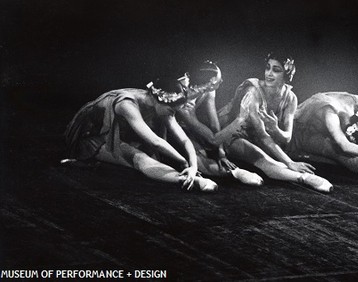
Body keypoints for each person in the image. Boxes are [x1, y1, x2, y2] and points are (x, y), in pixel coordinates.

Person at [63, 70, 222, 192]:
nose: (172, 115)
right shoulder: (127, 104)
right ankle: (190, 182)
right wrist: (183, 162)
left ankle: (189, 177)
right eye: (171, 110)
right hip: (90, 135)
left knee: (144, 157)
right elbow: (156, 141)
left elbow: (184, 140)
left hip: (117, 132)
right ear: (161, 100)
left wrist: (193, 166)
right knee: (139, 158)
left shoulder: (161, 105)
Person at [218, 53, 333, 193]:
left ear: (286, 74)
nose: (269, 74)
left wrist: (275, 129)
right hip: (234, 133)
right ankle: (303, 178)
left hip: (260, 138)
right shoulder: (253, 91)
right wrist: (290, 162)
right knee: (263, 159)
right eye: (268, 68)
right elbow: (262, 135)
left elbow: (286, 138)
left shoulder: (290, 98)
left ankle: (301, 175)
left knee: (276, 160)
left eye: (276, 70)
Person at [175, 61, 264, 186]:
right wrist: (240, 119)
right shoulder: (184, 103)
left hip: (189, 126)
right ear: (210, 82)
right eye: (218, 80)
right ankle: (234, 173)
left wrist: (221, 154)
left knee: (211, 147)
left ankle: (232, 170)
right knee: (198, 157)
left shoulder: (209, 90)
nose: (221, 81)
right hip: (172, 129)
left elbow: (214, 123)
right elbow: (212, 139)